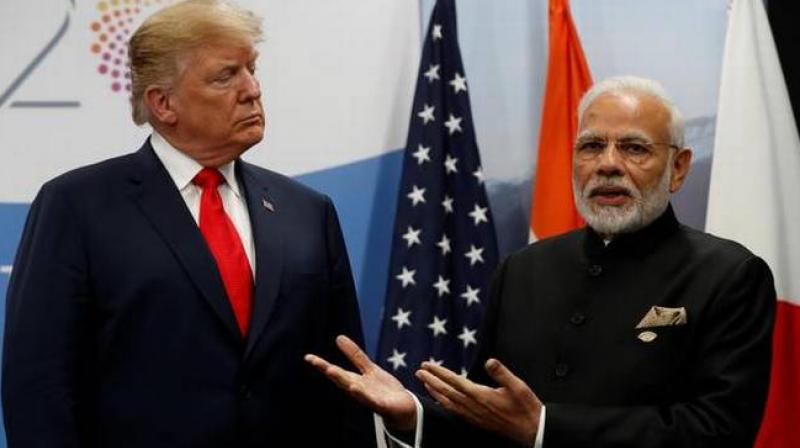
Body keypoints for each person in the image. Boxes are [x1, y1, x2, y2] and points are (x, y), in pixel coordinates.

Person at [305, 76, 776, 447]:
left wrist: (545, 427)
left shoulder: (729, 276)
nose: (608, 163)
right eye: (591, 146)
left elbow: (717, 430)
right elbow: (488, 419)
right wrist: (414, 413)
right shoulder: (523, 271)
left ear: (678, 167)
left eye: (634, 148)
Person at [2, 1, 374, 446]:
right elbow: (39, 386)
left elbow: (349, 378)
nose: (252, 89)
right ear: (162, 103)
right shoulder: (77, 206)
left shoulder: (308, 211)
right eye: (225, 76)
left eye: (252, 69)